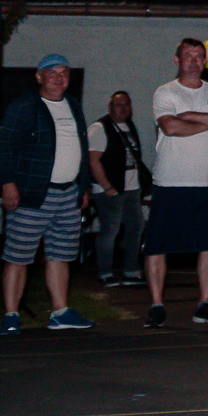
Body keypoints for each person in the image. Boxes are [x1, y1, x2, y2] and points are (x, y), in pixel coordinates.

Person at [0, 54, 94, 334]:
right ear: (39, 76)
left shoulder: (73, 105)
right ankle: (11, 315)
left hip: (68, 194)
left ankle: (60, 312)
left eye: (64, 73)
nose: (58, 78)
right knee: (18, 255)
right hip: (32, 194)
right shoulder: (24, 106)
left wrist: (83, 186)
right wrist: (8, 183)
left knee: (61, 254)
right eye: (52, 72)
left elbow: (82, 149)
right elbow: (4, 147)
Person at [140, 38, 208, 328]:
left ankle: (204, 303)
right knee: (157, 246)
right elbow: (170, 127)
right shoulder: (165, 92)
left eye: (199, 56)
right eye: (188, 56)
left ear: (205, 61)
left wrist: (191, 116)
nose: (194, 61)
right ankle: (157, 305)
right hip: (170, 181)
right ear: (177, 60)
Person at [86, 89, 149, 286]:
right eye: (118, 104)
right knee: (110, 230)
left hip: (131, 188)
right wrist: (107, 187)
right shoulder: (99, 128)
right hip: (110, 190)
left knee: (136, 227)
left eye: (126, 104)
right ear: (110, 107)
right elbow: (93, 160)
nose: (122, 108)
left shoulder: (129, 126)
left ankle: (131, 271)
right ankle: (105, 273)